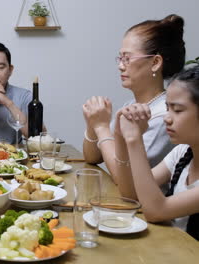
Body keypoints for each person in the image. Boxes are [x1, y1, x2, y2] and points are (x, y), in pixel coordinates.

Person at [82, 14, 185, 184]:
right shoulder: (131, 106)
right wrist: (92, 124)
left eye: (127, 58)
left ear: (155, 63)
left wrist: (102, 127)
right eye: (120, 58)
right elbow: (93, 157)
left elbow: (125, 180)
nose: (120, 65)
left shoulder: (164, 115)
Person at [113, 65, 199, 241]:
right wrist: (120, 136)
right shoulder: (182, 153)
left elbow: (156, 210)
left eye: (178, 110)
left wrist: (134, 140)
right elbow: (131, 195)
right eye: (167, 108)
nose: (167, 118)